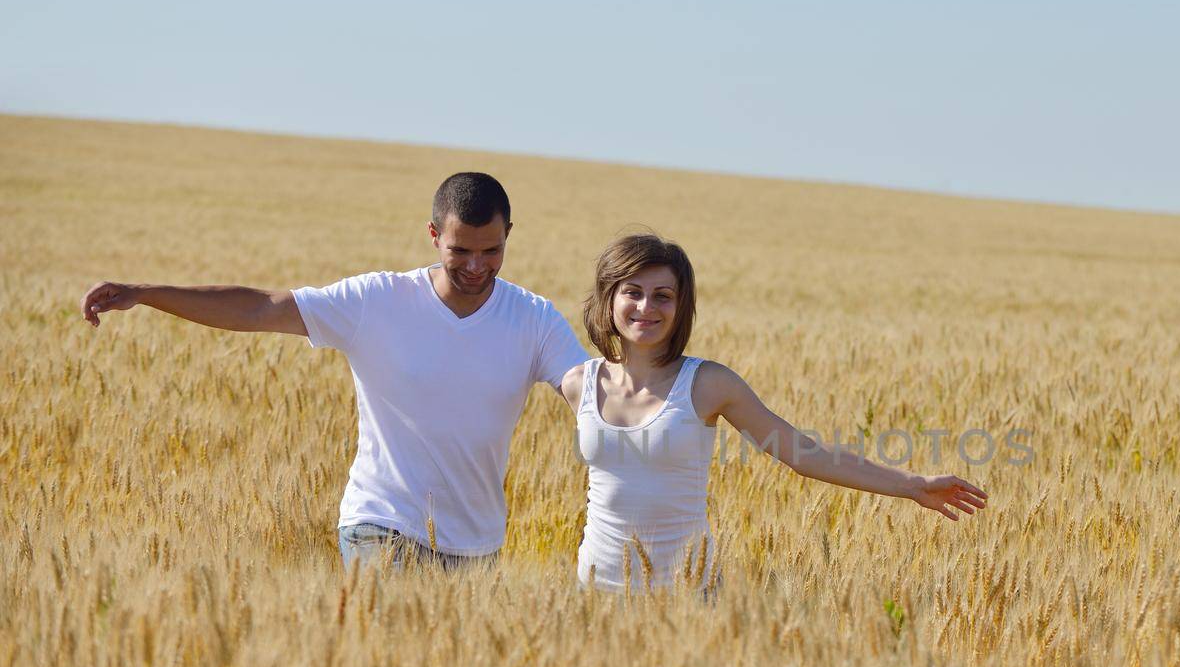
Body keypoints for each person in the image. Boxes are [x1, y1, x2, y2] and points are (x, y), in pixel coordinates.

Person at [78, 173, 586, 568]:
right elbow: (263, 308)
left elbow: (582, 386)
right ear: (433, 235)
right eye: (460, 250)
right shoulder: (378, 300)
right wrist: (146, 294)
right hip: (383, 525)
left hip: (478, 544)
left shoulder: (533, 318)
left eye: (491, 250)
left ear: (509, 237)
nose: (476, 265)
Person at [559, 233, 987, 592]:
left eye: (663, 296)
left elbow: (804, 455)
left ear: (680, 307)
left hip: (686, 595)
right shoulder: (581, 382)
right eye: (632, 292)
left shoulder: (708, 384)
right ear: (609, 298)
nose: (646, 307)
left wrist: (910, 485)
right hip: (594, 590)